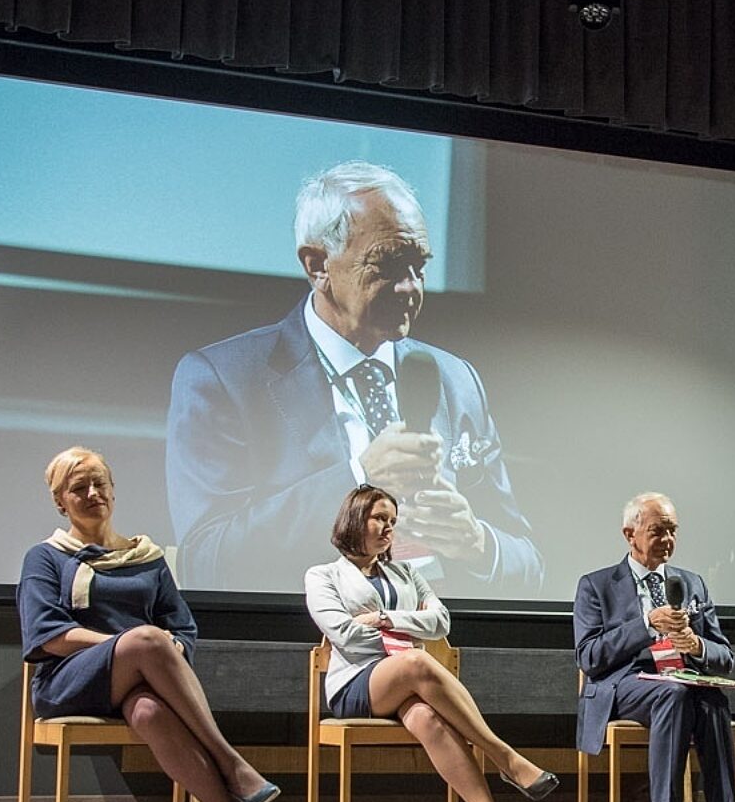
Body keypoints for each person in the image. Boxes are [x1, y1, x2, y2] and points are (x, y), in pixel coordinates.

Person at [167, 161, 542, 596]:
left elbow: (528, 560)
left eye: (419, 267)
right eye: (388, 266)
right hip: (311, 632)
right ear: (317, 265)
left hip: (445, 627)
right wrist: (358, 477)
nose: (410, 287)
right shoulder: (225, 379)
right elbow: (207, 560)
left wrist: (476, 543)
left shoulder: (455, 380)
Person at [18, 447, 281, 802]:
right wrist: (132, 647)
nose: (91, 492)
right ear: (60, 501)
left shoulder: (146, 556)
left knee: (151, 713)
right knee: (146, 639)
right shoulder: (45, 558)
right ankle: (231, 762)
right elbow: (50, 636)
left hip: (135, 684)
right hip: (68, 681)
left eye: (99, 482)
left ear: (114, 491)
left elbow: (181, 628)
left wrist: (161, 648)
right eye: (77, 487)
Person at [304, 484, 557, 802]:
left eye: (393, 521)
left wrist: (387, 619)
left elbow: (441, 622)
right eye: (379, 519)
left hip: (404, 681)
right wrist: (409, 629)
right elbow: (344, 635)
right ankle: (503, 756)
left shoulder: (406, 571)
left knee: (427, 718)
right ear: (355, 519)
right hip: (356, 683)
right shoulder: (323, 575)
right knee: (416, 662)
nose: (389, 529)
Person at [572, 493, 735, 802]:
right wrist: (646, 625)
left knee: (712, 701)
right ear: (630, 534)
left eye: (673, 531)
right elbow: (589, 656)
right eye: (658, 531)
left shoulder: (692, 584)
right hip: (623, 684)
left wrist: (698, 645)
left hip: (682, 681)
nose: (668, 540)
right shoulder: (596, 585)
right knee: (672, 694)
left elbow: (725, 654)